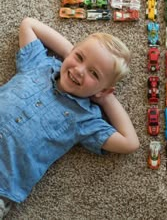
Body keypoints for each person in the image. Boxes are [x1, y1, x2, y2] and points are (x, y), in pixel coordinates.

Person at [0, 17, 139, 219]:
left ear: (104, 89)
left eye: (94, 73)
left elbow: (130, 143)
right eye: (80, 58)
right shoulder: (39, 64)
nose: (79, 71)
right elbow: (28, 24)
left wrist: (104, 98)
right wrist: (70, 53)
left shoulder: (85, 118)